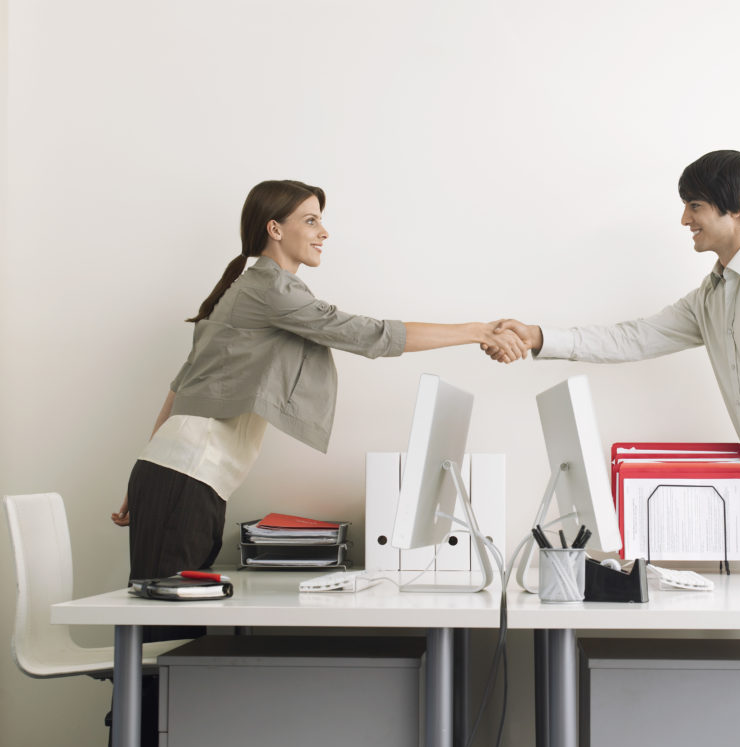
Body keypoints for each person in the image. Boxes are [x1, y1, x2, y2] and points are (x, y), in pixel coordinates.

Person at [488, 150, 740, 747]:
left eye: (694, 206)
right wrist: (541, 337)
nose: (684, 220)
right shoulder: (714, 294)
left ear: (735, 208)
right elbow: (636, 336)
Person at [112, 179, 527, 585]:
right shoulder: (268, 290)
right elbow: (369, 335)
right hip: (185, 476)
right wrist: (476, 330)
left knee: (178, 621)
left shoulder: (257, 289)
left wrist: (144, 470)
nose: (323, 232)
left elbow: (179, 386)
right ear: (275, 229)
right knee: (166, 624)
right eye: (310, 221)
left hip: (183, 475)